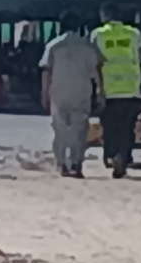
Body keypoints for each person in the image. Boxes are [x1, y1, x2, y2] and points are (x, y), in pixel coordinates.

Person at [93, 4, 141, 179]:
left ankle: (112, 154)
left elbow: (95, 63)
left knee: (110, 126)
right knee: (127, 127)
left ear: (104, 15)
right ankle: (124, 156)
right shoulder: (134, 34)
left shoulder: (98, 35)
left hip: (108, 90)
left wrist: (95, 88)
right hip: (130, 89)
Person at [39, 12, 102, 178]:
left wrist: (44, 93)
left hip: (58, 92)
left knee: (60, 130)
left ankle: (62, 164)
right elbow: (96, 71)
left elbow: (46, 71)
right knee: (80, 130)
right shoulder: (88, 46)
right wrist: (100, 91)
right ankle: (76, 163)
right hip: (81, 92)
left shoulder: (53, 45)